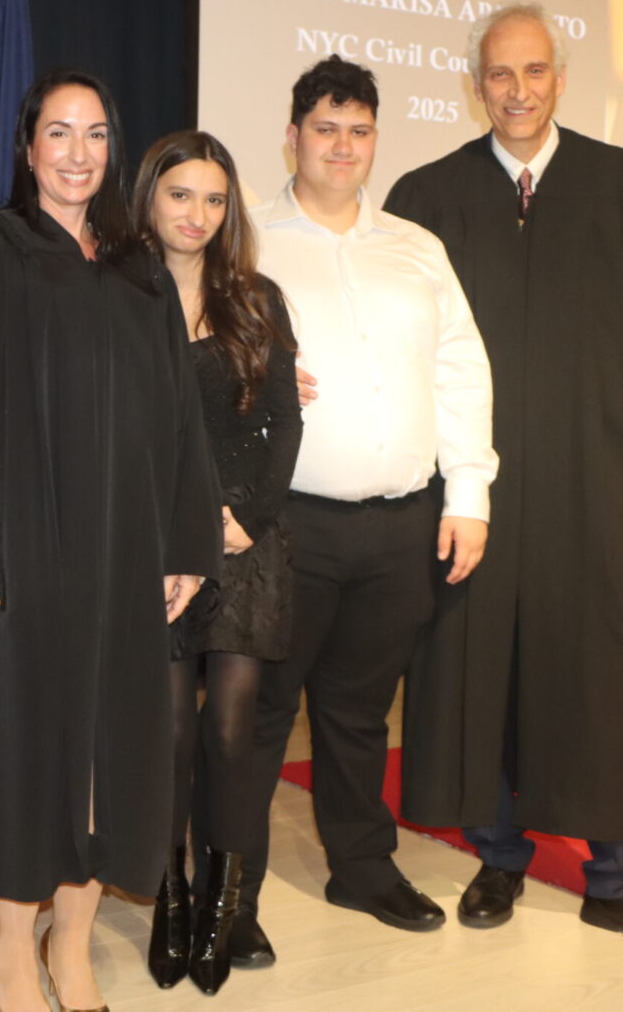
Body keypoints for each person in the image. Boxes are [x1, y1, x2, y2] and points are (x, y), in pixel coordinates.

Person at [383, 2, 623, 958]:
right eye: (500, 75)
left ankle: (618, 874)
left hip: (593, 474)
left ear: (561, 79)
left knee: (605, 665)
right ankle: (500, 851)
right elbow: (399, 345)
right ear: (475, 84)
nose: (518, 91)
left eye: (535, 72)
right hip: (475, 487)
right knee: (480, 657)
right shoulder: (427, 197)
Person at [0, 69, 222, 1012]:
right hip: (13, 540)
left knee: (109, 745)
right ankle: (9, 944)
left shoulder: (138, 269)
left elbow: (177, 419)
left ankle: (70, 945)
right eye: (58, 133)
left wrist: (186, 540)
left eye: (94, 134)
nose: (77, 153)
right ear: (27, 146)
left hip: (123, 543)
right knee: (21, 738)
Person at [235, 55, 498, 945]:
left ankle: (361, 868)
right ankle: (233, 894)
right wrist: (253, 377)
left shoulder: (416, 247)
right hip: (286, 522)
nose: (342, 147)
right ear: (293, 135)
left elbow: (462, 369)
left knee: (357, 709)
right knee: (259, 714)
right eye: (325, 128)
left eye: (359, 131)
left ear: (375, 141)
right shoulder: (246, 241)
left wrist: (469, 494)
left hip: (400, 522)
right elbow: (191, 361)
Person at [129, 130, 300, 995]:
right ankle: (166, 897)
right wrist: (183, 527)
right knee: (165, 735)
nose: (197, 214)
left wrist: (246, 522)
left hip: (243, 545)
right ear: (150, 200)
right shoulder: (120, 294)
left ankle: (220, 903)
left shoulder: (257, 299)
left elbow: (285, 427)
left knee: (232, 734)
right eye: (180, 195)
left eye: (214, 199)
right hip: (154, 544)